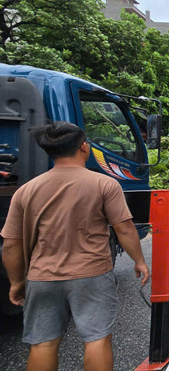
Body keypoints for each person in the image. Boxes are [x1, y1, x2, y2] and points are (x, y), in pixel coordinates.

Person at [1, 121, 149, 371]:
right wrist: (140, 261)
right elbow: (124, 228)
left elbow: (11, 244)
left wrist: (16, 282)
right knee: (96, 338)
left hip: (42, 277)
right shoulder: (104, 184)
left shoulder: (26, 191)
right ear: (83, 147)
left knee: (43, 343)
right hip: (91, 275)